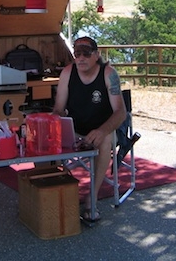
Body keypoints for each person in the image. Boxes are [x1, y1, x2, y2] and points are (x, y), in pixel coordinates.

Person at [52, 36, 126, 222]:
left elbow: (120, 112)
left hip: (104, 128)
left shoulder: (109, 74)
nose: (81, 58)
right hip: (75, 128)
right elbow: (58, 109)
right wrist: (56, 121)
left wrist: (101, 131)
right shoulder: (68, 73)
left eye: (86, 53)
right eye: (77, 54)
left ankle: (91, 198)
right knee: (47, 136)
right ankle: (50, 194)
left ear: (96, 55)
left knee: (106, 139)